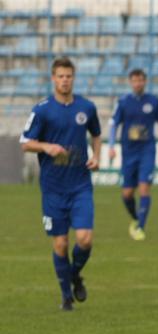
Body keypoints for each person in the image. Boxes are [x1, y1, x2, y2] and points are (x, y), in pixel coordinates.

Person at [20, 57, 101, 311]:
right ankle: (66, 295)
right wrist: (45, 146)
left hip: (80, 185)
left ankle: (74, 274)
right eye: (60, 76)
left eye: (69, 76)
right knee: (61, 243)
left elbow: (96, 134)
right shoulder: (42, 110)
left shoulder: (86, 107)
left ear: (73, 78)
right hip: (53, 188)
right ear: (53, 79)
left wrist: (96, 155)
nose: (65, 80)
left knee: (85, 239)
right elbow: (25, 143)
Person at [108, 68, 158, 241]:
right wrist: (111, 145)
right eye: (135, 81)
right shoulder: (123, 102)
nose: (138, 84)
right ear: (130, 82)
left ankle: (140, 227)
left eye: (141, 80)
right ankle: (136, 218)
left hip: (147, 151)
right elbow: (114, 124)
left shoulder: (153, 101)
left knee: (144, 187)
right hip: (128, 152)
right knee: (127, 194)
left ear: (145, 82)